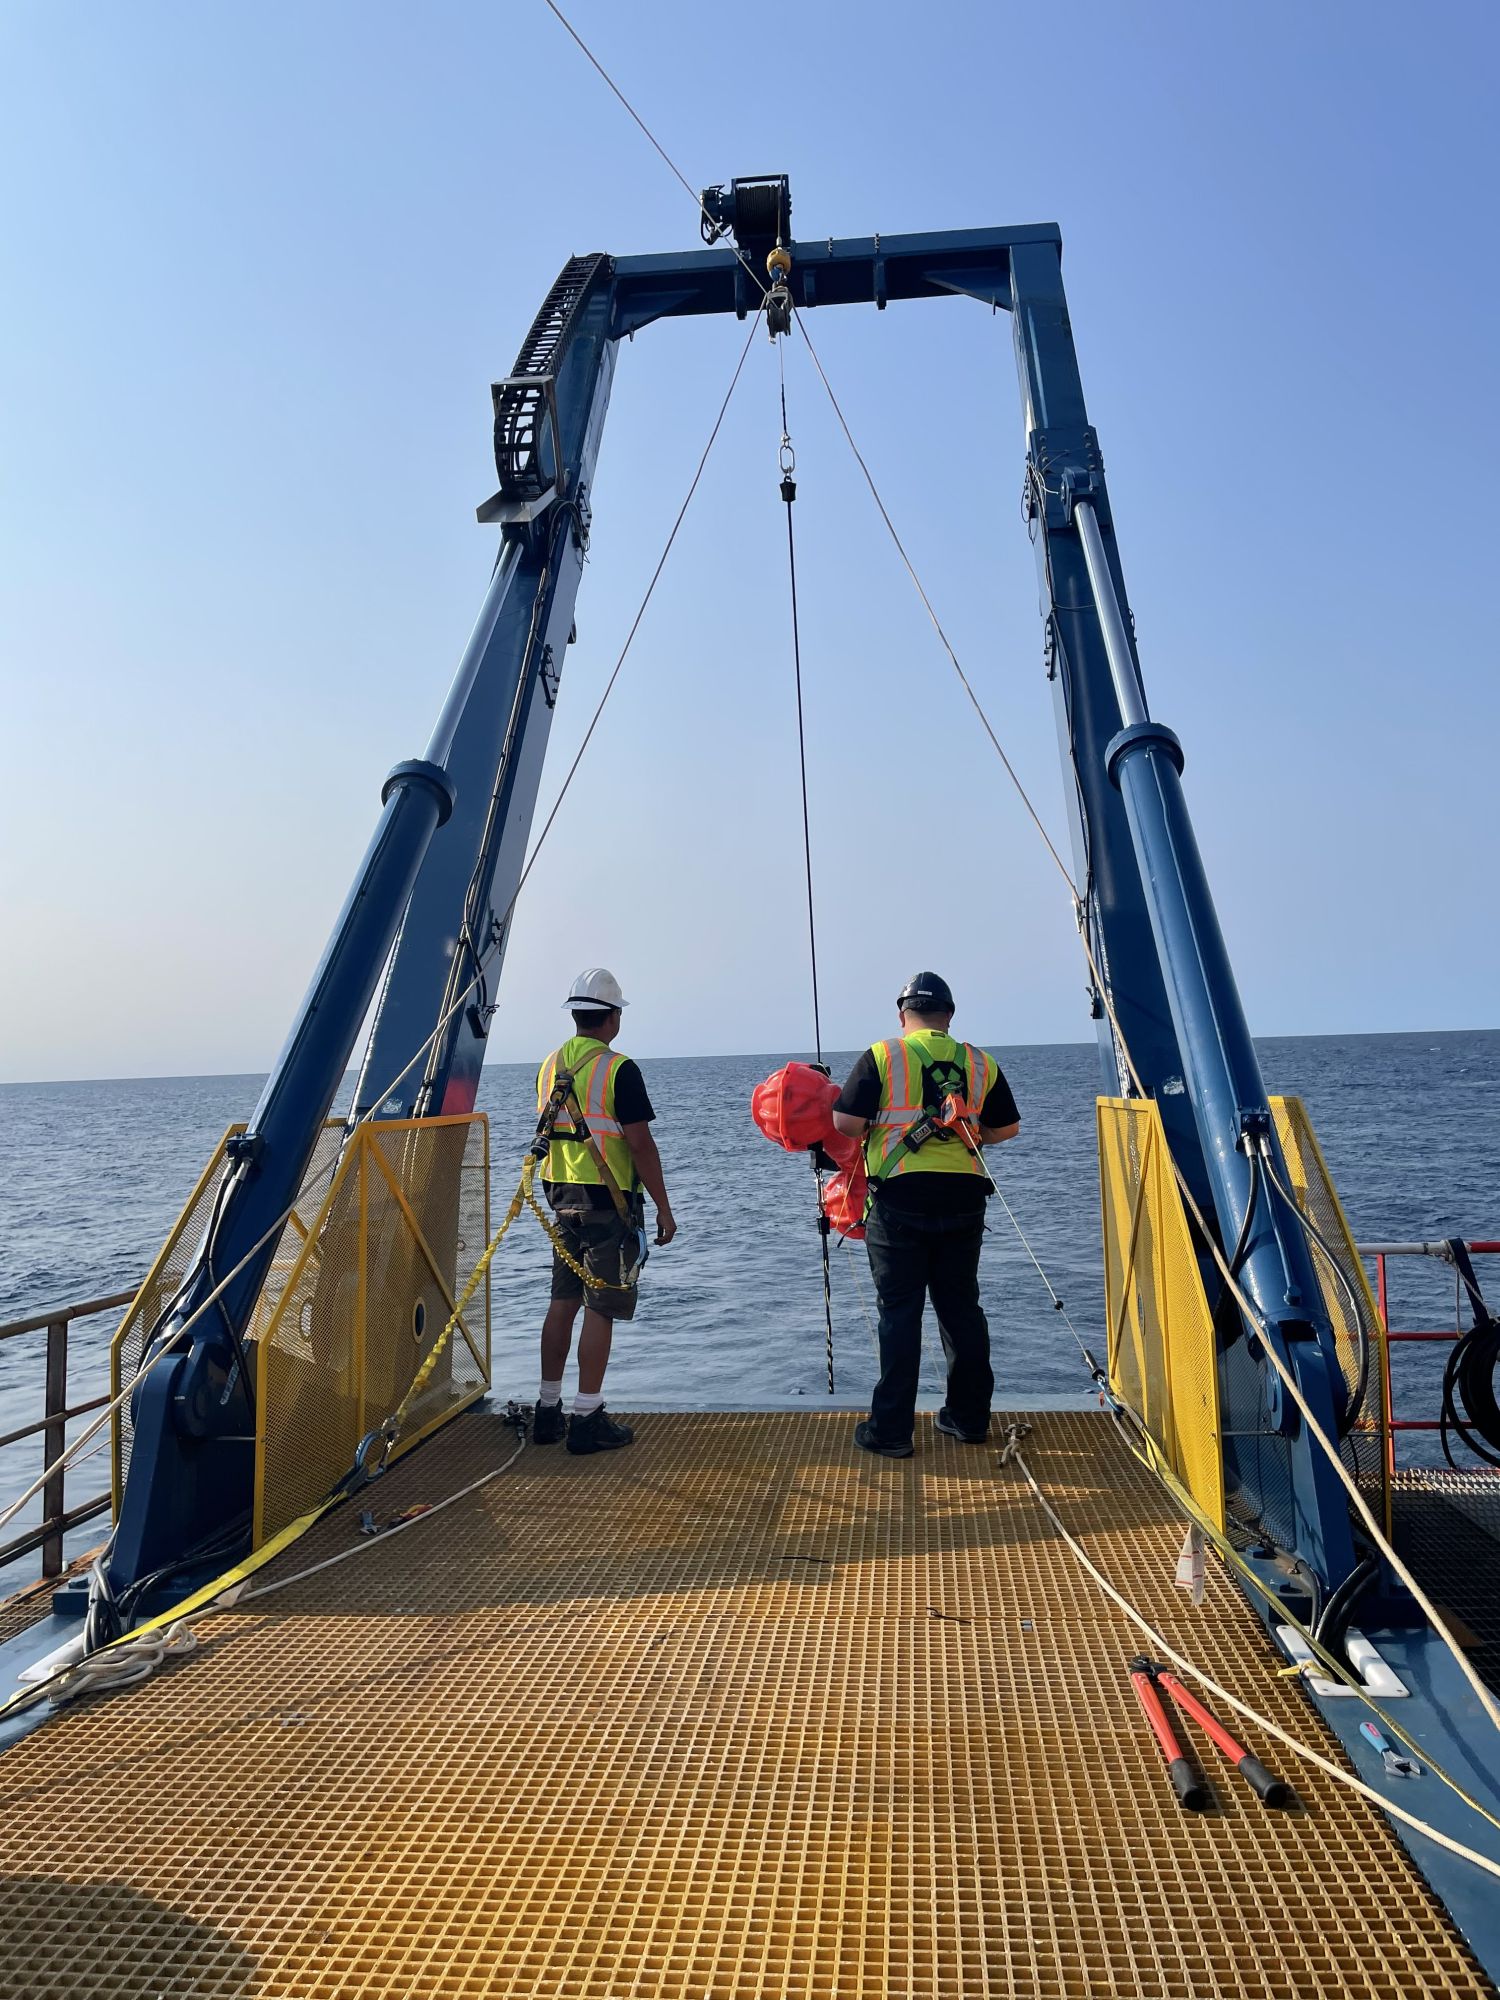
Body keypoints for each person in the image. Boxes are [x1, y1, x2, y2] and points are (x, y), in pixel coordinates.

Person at [831, 971, 1020, 1458]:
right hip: (965, 1200)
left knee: (900, 1315)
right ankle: (969, 1418)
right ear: (950, 1016)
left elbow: (846, 1123)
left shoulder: (883, 1056)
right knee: (961, 1309)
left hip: (898, 1201)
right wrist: (972, 1134)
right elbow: (1009, 1128)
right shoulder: (980, 1063)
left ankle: (891, 1432)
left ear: (902, 1017)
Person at [532, 968, 677, 1456]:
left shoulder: (550, 1064)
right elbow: (640, 1144)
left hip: (561, 1199)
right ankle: (587, 1415)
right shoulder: (619, 1069)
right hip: (608, 1203)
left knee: (562, 1302)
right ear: (613, 1018)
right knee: (602, 1307)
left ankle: (547, 1411)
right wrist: (663, 1206)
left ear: (576, 1015)